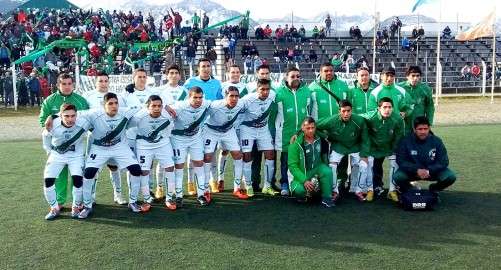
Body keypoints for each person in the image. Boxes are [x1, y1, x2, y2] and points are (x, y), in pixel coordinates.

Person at [39, 73, 89, 209]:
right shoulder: (49, 101)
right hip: (58, 149)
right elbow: (43, 121)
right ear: (57, 85)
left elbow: (87, 118)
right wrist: (51, 118)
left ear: (73, 85)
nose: (67, 87)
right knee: (60, 175)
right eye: (63, 84)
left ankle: (77, 202)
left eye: (69, 84)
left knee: (77, 176)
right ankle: (60, 202)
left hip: (76, 148)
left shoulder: (81, 101)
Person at [83, 72, 127, 205]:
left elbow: (123, 114)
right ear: (96, 82)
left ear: (109, 82)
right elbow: (84, 116)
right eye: (100, 81)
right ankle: (91, 195)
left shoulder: (116, 97)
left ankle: (118, 194)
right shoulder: (87, 96)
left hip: (114, 139)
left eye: (105, 81)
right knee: (93, 167)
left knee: (114, 167)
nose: (103, 83)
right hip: (95, 138)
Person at [42, 104, 90, 220]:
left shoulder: (83, 122)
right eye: (66, 116)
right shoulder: (53, 123)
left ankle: (76, 207)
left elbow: (96, 113)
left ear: (76, 115)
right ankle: (54, 208)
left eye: (73, 116)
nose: (70, 119)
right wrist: (49, 152)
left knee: (78, 180)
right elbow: (46, 138)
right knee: (48, 181)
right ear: (60, 116)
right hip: (57, 155)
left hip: (76, 156)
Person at [128, 95, 177, 209]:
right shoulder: (139, 117)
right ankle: (146, 200)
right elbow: (129, 130)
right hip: (144, 146)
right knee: (144, 171)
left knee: (170, 168)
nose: (156, 108)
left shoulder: (167, 117)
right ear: (147, 106)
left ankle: (169, 198)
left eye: (159, 106)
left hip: (162, 144)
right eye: (153, 106)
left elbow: (169, 132)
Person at [316, 100, 370, 203]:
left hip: (355, 145)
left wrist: (364, 155)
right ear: (339, 111)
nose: (346, 114)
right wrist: (325, 136)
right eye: (343, 111)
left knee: (363, 164)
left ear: (351, 110)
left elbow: (365, 138)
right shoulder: (332, 120)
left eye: (348, 111)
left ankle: (358, 190)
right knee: (332, 165)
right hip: (339, 145)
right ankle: (334, 191)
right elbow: (315, 125)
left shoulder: (359, 120)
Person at [183, 58, 223, 195]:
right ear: (198, 68)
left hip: (211, 125)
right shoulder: (190, 83)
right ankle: (190, 182)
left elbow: (219, 102)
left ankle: (213, 181)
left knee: (210, 154)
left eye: (208, 66)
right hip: (194, 124)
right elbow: (183, 100)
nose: (206, 69)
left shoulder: (217, 83)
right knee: (193, 155)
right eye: (203, 66)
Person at [393, 116, 456, 198]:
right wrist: (416, 170)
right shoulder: (405, 141)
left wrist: (429, 170)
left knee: (451, 177)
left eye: (425, 129)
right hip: (412, 172)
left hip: (432, 172)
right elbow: (401, 161)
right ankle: (410, 188)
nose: (423, 132)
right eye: (420, 129)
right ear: (414, 129)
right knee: (397, 177)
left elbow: (444, 161)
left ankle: (434, 188)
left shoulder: (437, 141)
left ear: (429, 128)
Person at [170, 86, 212, 206]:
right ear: (189, 97)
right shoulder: (179, 106)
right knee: (179, 165)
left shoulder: (205, 104)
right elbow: (163, 111)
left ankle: (201, 195)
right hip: (178, 139)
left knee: (199, 163)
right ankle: (178, 196)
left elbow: (218, 105)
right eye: (195, 97)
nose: (198, 100)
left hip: (195, 139)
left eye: (200, 97)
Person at [202, 86, 247, 198]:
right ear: (225, 96)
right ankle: (206, 189)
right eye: (231, 96)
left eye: (236, 96)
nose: (234, 98)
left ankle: (237, 188)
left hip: (228, 131)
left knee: (237, 155)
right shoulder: (215, 106)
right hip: (211, 131)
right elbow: (202, 113)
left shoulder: (240, 104)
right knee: (207, 157)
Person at [275, 67, 312, 196]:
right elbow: (274, 115)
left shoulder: (306, 91)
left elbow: (310, 112)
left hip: (303, 133)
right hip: (285, 132)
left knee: (303, 159)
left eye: (298, 76)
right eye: (293, 76)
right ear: (286, 78)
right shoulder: (279, 93)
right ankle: (284, 183)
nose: (296, 78)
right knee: (285, 160)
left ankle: (300, 182)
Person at [240, 79, 277, 196]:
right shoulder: (247, 99)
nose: (265, 92)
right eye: (262, 89)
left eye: (267, 89)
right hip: (247, 129)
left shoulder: (273, 95)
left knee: (270, 154)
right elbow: (237, 112)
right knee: (247, 156)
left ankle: (267, 186)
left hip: (263, 129)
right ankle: (248, 185)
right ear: (257, 89)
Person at [364, 97, 404, 202]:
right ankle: (370, 190)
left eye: (390, 107)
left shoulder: (398, 119)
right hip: (373, 148)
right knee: (369, 164)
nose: (387, 110)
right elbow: (357, 119)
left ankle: (392, 190)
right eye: (384, 107)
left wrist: (394, 149)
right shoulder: (370, 117)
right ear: (379, 108)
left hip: (389, 147)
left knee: (395, 163)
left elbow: (398, 137)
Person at [288, 117, 333, 207]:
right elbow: (292, 166)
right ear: (303, 128)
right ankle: (306, 193)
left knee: (327, 170)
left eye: (313, 128)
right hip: (301, 175)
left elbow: (325, 159)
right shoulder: (295, 144)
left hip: (316, 170)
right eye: (308, 128)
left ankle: (327, 198)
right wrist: (304, 180)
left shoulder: (320, 140)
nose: (311, 130)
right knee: (300, 191)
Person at [398, 66, 435, 134]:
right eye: (413, 76)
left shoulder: (425, 89)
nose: (415, 78)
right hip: (404, 124)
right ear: (407, 76)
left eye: (418, 76)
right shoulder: (399, 88)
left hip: (420, 124)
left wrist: (429, 122)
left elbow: (430, 107)